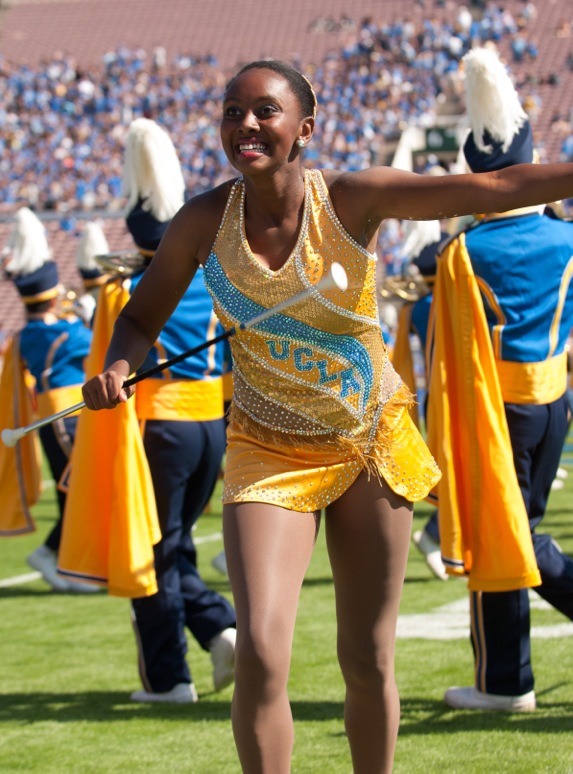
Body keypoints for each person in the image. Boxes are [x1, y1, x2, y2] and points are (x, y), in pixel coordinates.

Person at [81, 59, 573, 773]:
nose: (244, 124)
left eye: (264, 111)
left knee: (367, 656)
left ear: (304, 128)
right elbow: (140, 320)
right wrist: (120, 366)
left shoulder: (350, 198)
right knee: (259, 649)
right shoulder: (198, 221)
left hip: (368, 445)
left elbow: (490, 187)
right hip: (264, 449)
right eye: (230, 111)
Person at [425, 47, 573, 713]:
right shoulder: (566, 239)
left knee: (497, 534)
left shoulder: (463, 251)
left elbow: (448, 358)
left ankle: (503, 681)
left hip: (497, 412)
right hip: (553, 401)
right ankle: (503, 678)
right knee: (525, 528)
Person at [86, 118, 236, 703]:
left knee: (150, 549)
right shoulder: (211, 280)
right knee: (175, 544)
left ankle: (169, 676)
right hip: (208, 427)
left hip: (159, 428)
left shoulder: (124, 292)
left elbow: (106, 370)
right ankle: (219, 628)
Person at [2, 207, 98, 593]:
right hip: (62, 414)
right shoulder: (47, 333)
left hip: (62, 411)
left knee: (72, 488)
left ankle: (68, 561)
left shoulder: (39, 330)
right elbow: (95, 343)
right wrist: (90, 316)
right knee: (76, 487)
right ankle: (54, 554)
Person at [391, 219, 450, 581]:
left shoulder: (414, 308)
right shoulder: (443, 301)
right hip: (456, 397)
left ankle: (441, 536)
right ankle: (435, 534)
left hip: (433, 397)